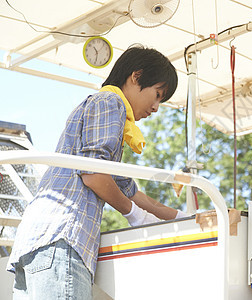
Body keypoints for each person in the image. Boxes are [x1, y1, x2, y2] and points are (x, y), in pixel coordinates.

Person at [7, 45, 188, 299]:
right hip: (63, 239)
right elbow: (93, 175)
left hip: (37, 243)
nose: (156, 107)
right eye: (157, 94)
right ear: (136, 77)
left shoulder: (108, 119)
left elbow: (132, 192)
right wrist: (134, 214)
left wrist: (185, 217)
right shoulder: (110, 103)